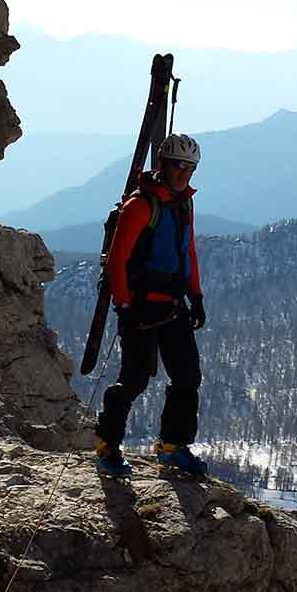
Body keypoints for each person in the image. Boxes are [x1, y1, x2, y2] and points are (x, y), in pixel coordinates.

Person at [94, 133, 208, 478]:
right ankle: (107, 447)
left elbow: (187, 251)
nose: (184, 173)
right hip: (141, 308)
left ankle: (173, 446)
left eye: (190, 168)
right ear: (163, 164)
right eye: (179, 166)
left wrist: (196, 295)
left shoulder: (182, 203)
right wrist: (125, 305)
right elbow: (117, 261)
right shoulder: (141, 205)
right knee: (134, 380)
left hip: (173, 304)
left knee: (187, 376)